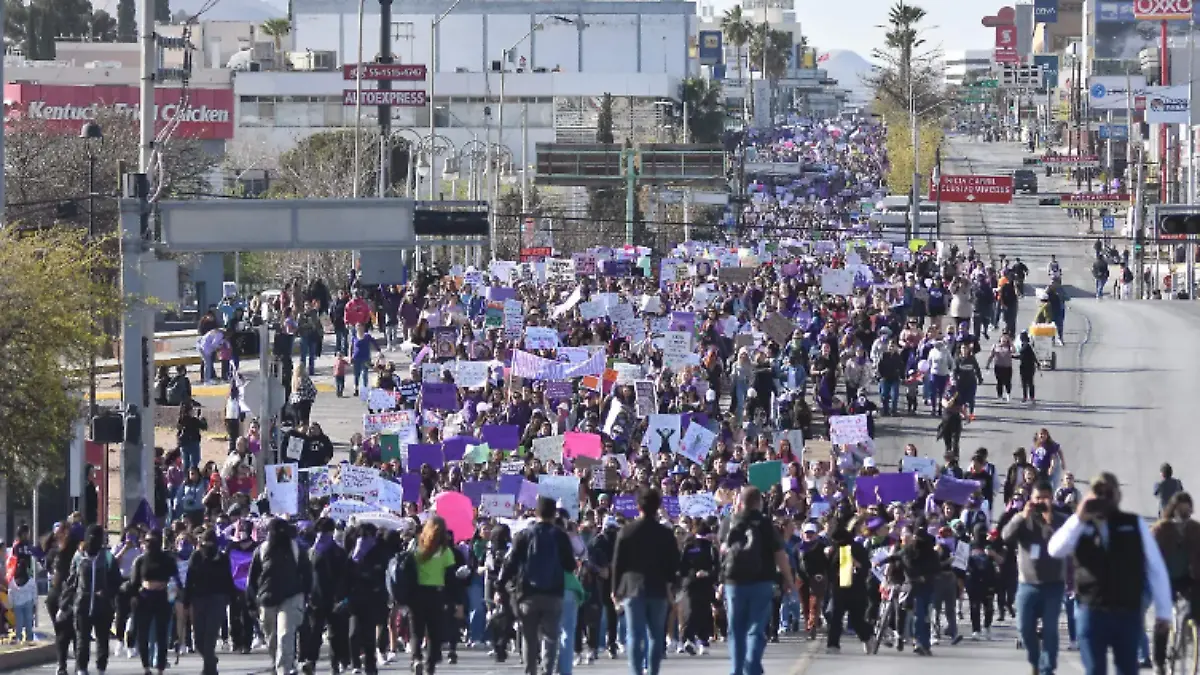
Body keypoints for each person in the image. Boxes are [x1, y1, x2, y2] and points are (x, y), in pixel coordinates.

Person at [1048, 472, 1173, 675]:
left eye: (1108, 492)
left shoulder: (1133, 523)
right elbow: (1054, 549)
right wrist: (1079, 516)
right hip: (1092, 609)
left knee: (1127, 669)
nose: (1104, 497)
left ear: (1117, 496)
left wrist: (1164, 613)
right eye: (1098, 492)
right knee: (1095, 670)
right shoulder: (1080, 525)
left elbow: (1156, 567)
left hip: (1127, 610)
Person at [720, 486, 796, 674]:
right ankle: (752, 665)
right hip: (762, 581)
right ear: (758, 503)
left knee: (736, 628)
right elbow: (780, 555)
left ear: (740, 502)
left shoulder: (729, 522)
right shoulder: (766, 524)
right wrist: (789, 580)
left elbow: (722, 553)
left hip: (734, 582)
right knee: (756, 627)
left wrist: (720, 580)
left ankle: (737, 669)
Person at [501, 497, 576, 675]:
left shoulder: (524, 535)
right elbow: (570, 565)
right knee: (551, 636)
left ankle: (530, 671)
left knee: (529, 637)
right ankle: (547, 670)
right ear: (554, 514)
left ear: (536, 512)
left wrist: (501, 584)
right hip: (553, 593)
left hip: (528, 594)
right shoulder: (560, 536)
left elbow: (510, 562)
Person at [610, 488, 680, 675]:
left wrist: (615, 589)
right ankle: (653, 671)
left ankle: (636, 672)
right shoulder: (665, 534)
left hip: (632, 588)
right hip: (658, 589)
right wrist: (671, 586)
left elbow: (618, 563)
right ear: (658, 507)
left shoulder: (626, 531)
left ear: (638, 506)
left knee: (634, 635)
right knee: (656, 635)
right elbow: (674, 563)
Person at [1002, 480, 1068, 675]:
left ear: (1052, 499)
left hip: (1053, 584)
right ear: (1031, 499)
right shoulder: (1022, 519)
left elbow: (1065, 541)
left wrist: (1049, 520)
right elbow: (1005, 536)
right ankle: (1035, 661)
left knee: (1049, 630)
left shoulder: (1061, 519)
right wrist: (1022, 516)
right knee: (1024, 628)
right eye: (1038, 498)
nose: (1041, 502)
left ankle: (1047, 670)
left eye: (1045, 498)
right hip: (1027, 584)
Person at [248, 518, 314, 675]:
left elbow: (307, 575)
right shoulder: (261, 551)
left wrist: (306, 595)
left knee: (285, 635)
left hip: (292, 597)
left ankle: (284, 669)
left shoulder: (297, 549)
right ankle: (279, 664)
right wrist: (250, 602)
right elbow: (252, 579)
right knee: (272, 639)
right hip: (267, 599)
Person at [1151, 493, 1200, 674]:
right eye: (1181, 507)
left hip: (1190, 578)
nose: (1184, 511)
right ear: (1173, 508)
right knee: (1163, 620)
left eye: (1187, 507)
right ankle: (1159, 661)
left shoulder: (1195, 529)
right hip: (1165, 580)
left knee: (1194, 609)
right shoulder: (1161, 529)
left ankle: (1189, 644)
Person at [63, 525, 122, 675]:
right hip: (82, 605)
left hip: (103, 607)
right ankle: (82, 669)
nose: (94, 541)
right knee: (82, 640)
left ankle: (101, 668)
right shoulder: (78, 557)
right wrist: (64, 605)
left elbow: (117, 582)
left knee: (102, 640)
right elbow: (71, 582)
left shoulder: (108, 558)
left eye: (97, 538)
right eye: (91, 537)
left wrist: (107, 593)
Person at [302, 517, 350, 675]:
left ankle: (321, 662)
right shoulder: (333, 551)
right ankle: (323, 663)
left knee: (322, 632)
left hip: (322, 598)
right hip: (325, 598)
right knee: (328, 633)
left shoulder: (312, 552)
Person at [185, 527, 235, 675]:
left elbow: (228, 578)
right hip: (198, 599)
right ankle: (210, 659)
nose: (208, 546)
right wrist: (187, 600)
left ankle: (209, 670)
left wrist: (230, 598)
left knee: (210, 636)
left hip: (217, 599)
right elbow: (190, 579)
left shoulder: (223, 558)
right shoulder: (196, 557)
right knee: (199, 639)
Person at [130, 530, 180, 675]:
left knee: (162, 635)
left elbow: (175, 578)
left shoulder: (168, 559)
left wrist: (175, 593)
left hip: (162, 598)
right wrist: (133, 597)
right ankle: (146, 666)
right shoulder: (140, 560)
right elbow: (134, 582)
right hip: (144, 598)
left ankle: (160, 667)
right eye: (147, 541)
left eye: (153, 541)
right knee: (143, 634)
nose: (150, 544)